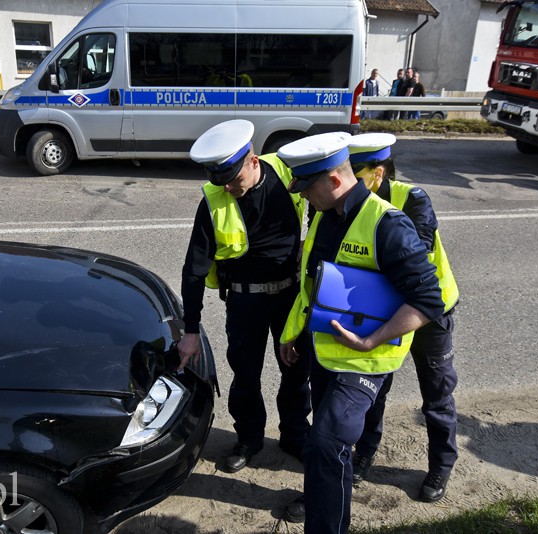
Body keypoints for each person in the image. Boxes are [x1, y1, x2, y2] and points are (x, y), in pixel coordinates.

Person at [276, 132, 444, 532]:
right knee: (329, 450)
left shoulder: (388, 223)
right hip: (325, 353)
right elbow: (314, 286)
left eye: (306, 187)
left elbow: (428, 300)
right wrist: (294, 334)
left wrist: (372, 339)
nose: (302, 196)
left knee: (326, 443)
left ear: (334, 181)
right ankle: (331, 506)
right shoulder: (323, 215)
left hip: (366, 359)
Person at [177, 119, 311, 473]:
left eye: (235, 180)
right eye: (221, 182)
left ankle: (295, 435)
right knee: (246, 375)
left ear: (253, 160)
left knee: (297, 371)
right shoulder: (213, 201)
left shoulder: (287, 171)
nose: (230, 189)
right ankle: (249, 438)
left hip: (290, 297)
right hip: (245, 301)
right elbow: (193, 270)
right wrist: (190, 330)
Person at [347, 133, 459, 504]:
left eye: (355, 171)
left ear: (378, 173)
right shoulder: (351, 202)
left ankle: (440, 464)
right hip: (385, 307)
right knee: (374, 387)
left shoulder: (414, 199)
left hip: (429, 311)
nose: (347, 178)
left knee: (437, 394)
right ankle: (364, 453)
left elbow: (417, 255)